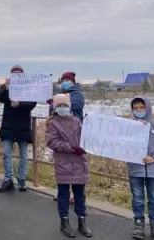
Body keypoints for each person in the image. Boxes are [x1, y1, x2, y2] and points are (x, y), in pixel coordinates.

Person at [46, 94, 92, 238]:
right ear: (55, 107)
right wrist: (71, 148)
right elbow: (52, 142)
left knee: (80, 195)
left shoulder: (76, 120)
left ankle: (82, 221)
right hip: (63, 164)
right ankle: (64, 222)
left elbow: (85, 136)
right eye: (59, 105)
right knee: (63, 195)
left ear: (69, 106)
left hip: (79, 163)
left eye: (65, 105)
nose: (62, 108)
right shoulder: (52, 123)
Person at [0, 65, 37, 193]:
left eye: (19, 73)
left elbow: (32, 103)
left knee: (23, 155)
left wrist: (19, 104)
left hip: (23, 126)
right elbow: (0, 98)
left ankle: (22, 178)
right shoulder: (7, 86)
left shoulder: (28, 87)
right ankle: (8, 179)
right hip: (8, 125)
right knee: (7, 154)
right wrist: (5, 88)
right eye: (14, 73)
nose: (16, 75)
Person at [49, 72, 85, 203]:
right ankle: (62, 192)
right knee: (62, 164)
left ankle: (78, 194)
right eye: (63, 80)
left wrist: (57, 102)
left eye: (67, 80)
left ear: (73, 81)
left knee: (76, 164)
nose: (65, 82)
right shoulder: (60, 95)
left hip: (75, 133)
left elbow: (71, 106)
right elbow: (52, 110)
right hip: (60, 132)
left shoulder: (78, 95)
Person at [128, 96, 154, 239]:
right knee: (137, 198)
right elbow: (121, 145)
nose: (139, 110)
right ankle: (138, 226)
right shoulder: (128, 126)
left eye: (141, 107)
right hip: (135, 169)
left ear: (147, 107)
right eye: (135, 108)